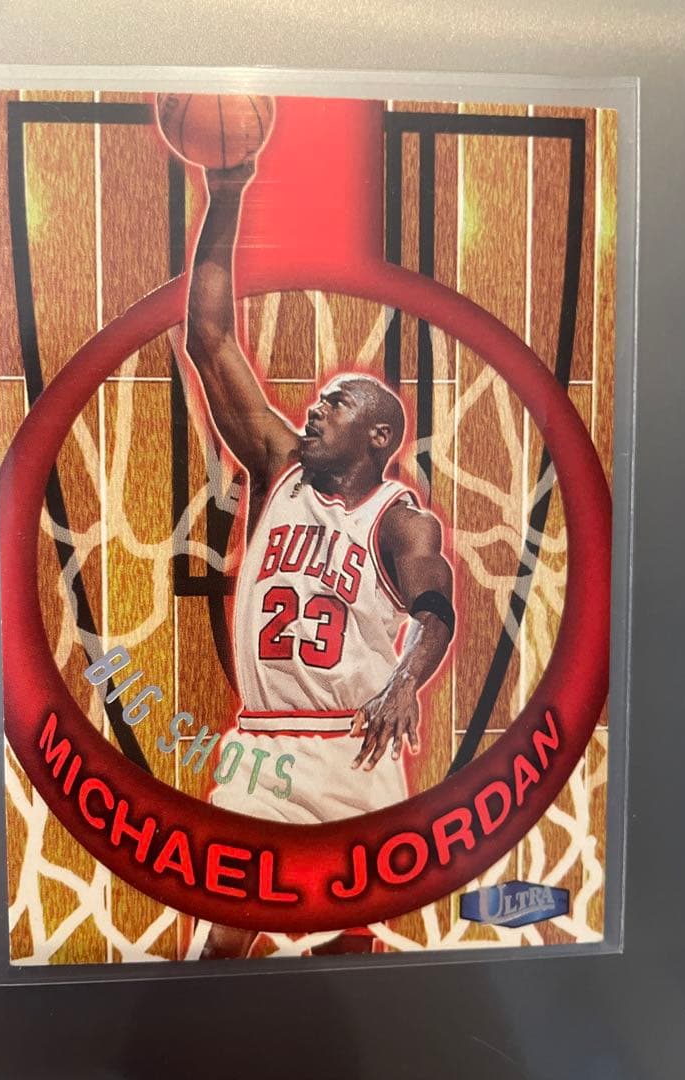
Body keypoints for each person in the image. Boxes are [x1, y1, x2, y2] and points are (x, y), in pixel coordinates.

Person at [184, 159, 455, 959]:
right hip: (264, 751)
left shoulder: (399, 521)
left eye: (335, 404)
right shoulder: (279, 467)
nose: (312, 408)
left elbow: (435, 611)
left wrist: (405, 682)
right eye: (318, 400)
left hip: (353, 750)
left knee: (348, 967)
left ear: (379, 435)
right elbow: (209, 339)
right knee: (218, 945)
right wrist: (226, 194)